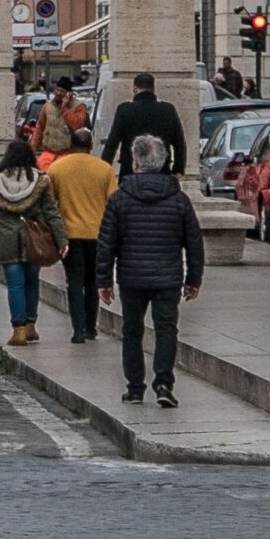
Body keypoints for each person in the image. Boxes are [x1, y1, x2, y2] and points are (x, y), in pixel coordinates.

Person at [96, 134, 205, 408]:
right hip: (168, 276)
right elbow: (194, 243)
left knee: (132, 331)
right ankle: (164, 383)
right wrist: (194, 279)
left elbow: (107, 243)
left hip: (132, 276)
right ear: (164, 162)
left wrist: (103, 280)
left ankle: (134, 388)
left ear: (135, 163)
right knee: (167, 328)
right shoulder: (179, 200)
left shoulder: (120, 199)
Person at [0, 137, 67, 345]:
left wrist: (4, 221)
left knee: (15, 285)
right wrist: (61, 239)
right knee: (31, 282)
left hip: (7, 238)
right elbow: (51, 212)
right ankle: (30, 324)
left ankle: (18, 329)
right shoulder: (39, 180)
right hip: (34, 238)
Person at [45, 128, 116, 344]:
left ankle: (78, 329)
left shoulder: (57, 169)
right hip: (98, 233)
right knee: (93, 281)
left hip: (69, 234)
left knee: (74, 281)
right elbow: (113, 203)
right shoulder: (104, 169)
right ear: (91, 146)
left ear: (70, 144)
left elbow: (50, 203)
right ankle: (91, 327)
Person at [100, 72, 186, 176]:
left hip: (130, 171)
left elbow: (112, 142)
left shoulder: (124, 110)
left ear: (135, 89)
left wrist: (104, 168)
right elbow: (179, 143)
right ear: (153, 88)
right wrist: (178, 169)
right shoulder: (168, 109)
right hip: (161, 171)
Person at [32, 81, 89, 158]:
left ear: (69, 93)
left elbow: (77, 126)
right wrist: (33, 146)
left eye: (62, 91)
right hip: (48, 152)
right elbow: (40, 127)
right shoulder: (48, 106)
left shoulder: (79, 106)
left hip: (68, 153)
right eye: (57, 90)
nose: (58, 93)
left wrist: (64, 108)